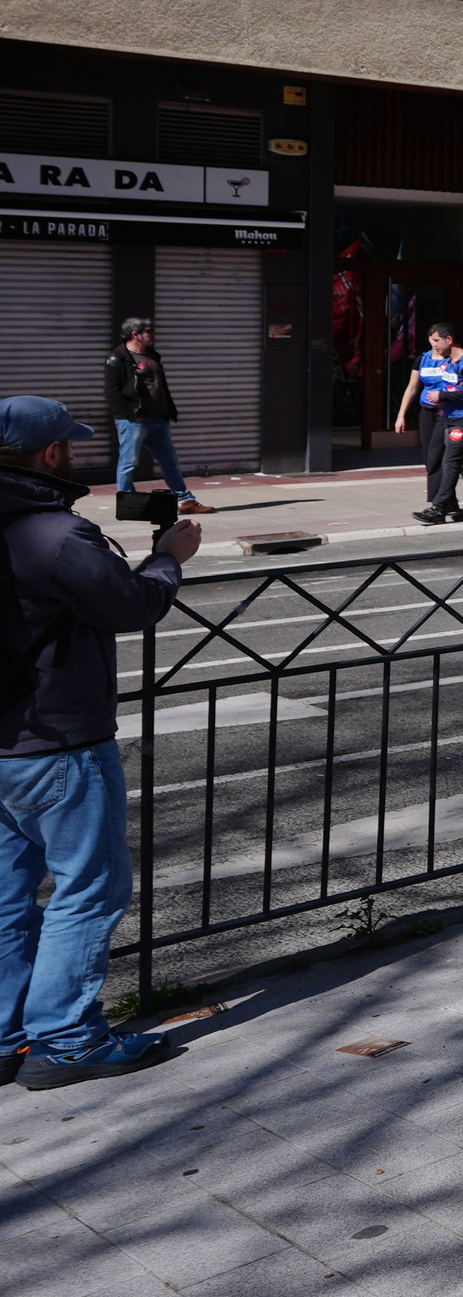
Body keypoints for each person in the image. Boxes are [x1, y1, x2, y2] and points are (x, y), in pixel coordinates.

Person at [1, 395, 200, 1088]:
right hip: (58, 737)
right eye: (70, 445)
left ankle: (6, 1035)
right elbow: (130, 606)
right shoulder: (57, 534)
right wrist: (168, 558)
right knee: (89, 887)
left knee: (6, 895)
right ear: (52, 453)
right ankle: (66, 1038)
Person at [103, 319, 210, 516]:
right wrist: (130, 415)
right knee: (129, 463)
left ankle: (185, 500)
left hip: (159, 419)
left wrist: (168, 411)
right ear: (135, 334)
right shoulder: (118, 358)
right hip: (135, 421)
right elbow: (111, 393)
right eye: (149, 331)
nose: (153, 335)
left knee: (169, 461)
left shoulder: (152, 355)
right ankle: (128, 503)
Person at [396, 322, 463, 525]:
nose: (433, 345)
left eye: (437, 340)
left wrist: (442, 395)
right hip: (448, 417)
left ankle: (440, 507)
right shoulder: (450, 362)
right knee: (449, 460)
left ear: (449, 339)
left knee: (451, 462)